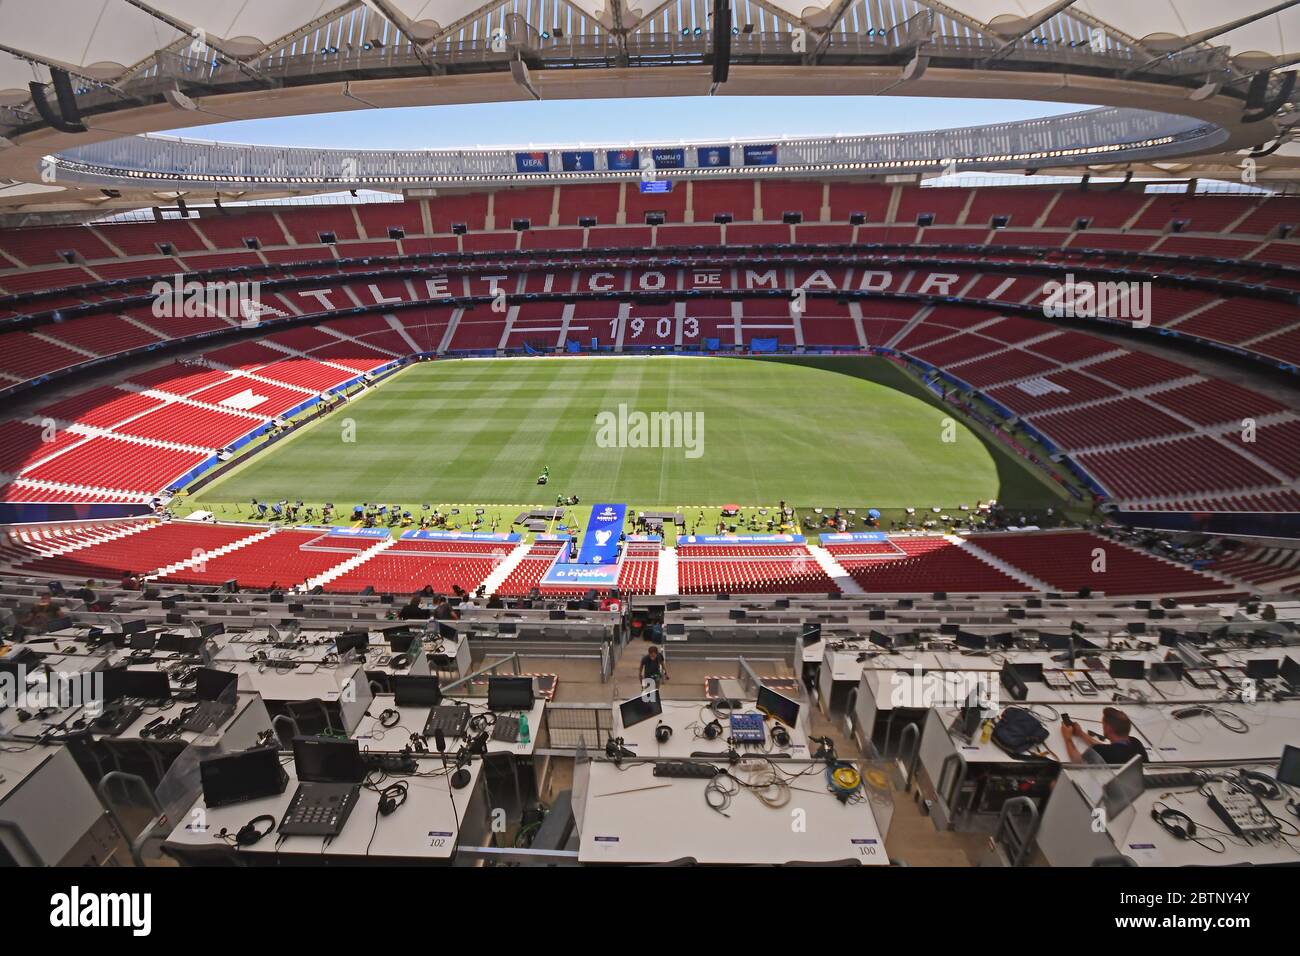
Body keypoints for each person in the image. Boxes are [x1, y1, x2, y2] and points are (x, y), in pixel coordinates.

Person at [1061, 707, 1147, 765]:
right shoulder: (1135, 743)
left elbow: (1078, 762)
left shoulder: (1102, 751)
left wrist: (1067, 737)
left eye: (1103, 724)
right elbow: (1110, 748)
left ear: (1109, 728)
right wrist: (1081, 734)